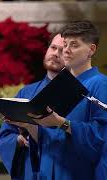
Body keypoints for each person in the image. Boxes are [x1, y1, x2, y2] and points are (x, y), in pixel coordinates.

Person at [7, 20, 107, 179]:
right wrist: (29, 125)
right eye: (65, 44)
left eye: (74, 45)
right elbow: (49, 138)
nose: (66, 50)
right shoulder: (61, 85)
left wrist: (61, 122)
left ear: (91, 50)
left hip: (78, 172)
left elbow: (100, 137)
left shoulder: (100, 84)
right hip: (48, 171)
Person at [0, 32, 65, 180]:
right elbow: (5, 136)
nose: (55, 54)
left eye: (62, 50)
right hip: (30, 172)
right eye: (53, 47)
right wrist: (18, 140)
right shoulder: (26, 92)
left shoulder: (79, 93)